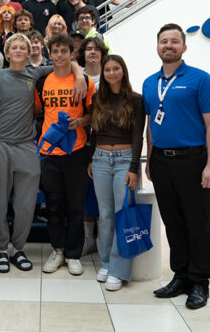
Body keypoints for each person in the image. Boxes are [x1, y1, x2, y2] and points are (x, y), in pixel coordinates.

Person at [0, 34, 87, 273]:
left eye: (22, 47)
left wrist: (78, 75)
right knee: (0, 200)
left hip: (27, 145)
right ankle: (2, 250)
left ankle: (18, 249)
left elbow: (65, 63)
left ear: (28, 52)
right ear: (7, 51)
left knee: (25, 203)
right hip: (0, 144)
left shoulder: (35, 73)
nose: (18, 50)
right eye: (14, 46)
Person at [143, 23, 210, 309]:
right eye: (164, 41)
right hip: (162, 161)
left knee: (197, 221)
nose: (169, 46)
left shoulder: (200, 79)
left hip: (193, 160)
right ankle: (181, 276)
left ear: (184, 47)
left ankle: (200, 281)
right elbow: (151, 124)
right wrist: (150, 158)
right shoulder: (150, 83)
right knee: (173, 221)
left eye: (174, 41)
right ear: (157, 47)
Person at [35, 34, 95, 276]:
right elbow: (39, 111)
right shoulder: (43, 81)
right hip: (49, 152)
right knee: (54, 206)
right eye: (55, 51)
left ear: (72, 54)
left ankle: (73, 254)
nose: (59, 55)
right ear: (50, 54)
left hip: (76, 151)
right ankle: (57, 250)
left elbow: (92, 114)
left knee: (75, 207)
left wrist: (80, 121)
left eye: (63, 51)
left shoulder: (85, 82)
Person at [88, 54, 145, 291]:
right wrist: (92, 158)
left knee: (123, 214)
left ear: (123, 71)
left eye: (116, 68)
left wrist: (134, 168)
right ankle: (106, 262)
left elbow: (137, 135)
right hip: (100, 159)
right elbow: (94, 131)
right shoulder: (97, 98)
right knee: (105, 215)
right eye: (107, 69)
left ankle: (119, 270)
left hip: (124, 160)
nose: (111, 73)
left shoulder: (136, 100)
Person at [76, 36, 109, 256]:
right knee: (86, 193)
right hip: (80, 141)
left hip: (106, 142)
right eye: (88, 49)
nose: (92, 53)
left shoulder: (111, 74)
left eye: (97, 49)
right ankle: (88, 239)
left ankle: (102, 240)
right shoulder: (76, 75)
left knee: (102, 195)